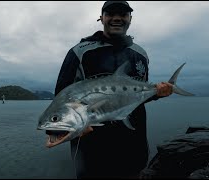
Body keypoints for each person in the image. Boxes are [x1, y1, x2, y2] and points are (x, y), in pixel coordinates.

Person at [54, 1, 173, 178]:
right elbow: (61, 97)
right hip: (91, 147)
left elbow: (138, 96)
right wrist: (61, 129)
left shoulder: (140, 53)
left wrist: (157, 94)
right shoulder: (79, 52)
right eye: (110, 14)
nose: (117, 18)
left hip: (134, 141)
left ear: (130, 19)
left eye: (123, 14)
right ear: (101, 18)